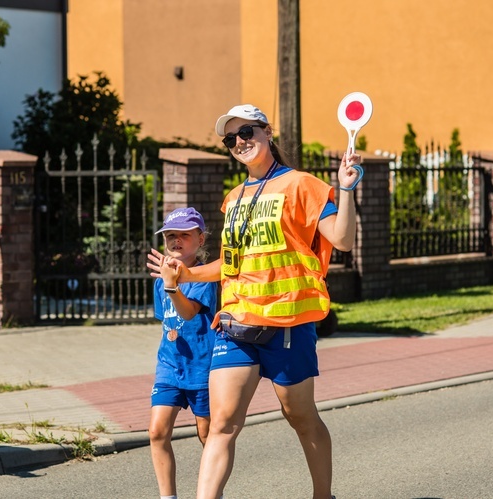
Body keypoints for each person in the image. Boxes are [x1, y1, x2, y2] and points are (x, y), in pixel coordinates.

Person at [148, 104, 362, 499]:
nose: (239, 142)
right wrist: (186, 275)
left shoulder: (302, 184)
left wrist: (346, 189)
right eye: (230, 139)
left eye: (247, 132)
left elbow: (344, 240)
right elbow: (231, 265)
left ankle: (323, 496)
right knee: (222, 424)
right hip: (237, 323)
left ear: (266, 131)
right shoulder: (234, 199)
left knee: (299, 416)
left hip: (288, 323)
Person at [150, 207, 218, 499]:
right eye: (170, 235)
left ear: (200, 239)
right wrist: (166, 282)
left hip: (202, 367)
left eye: (184, 235)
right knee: (157, 433)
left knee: (208, 436)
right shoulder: (160, 280)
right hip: (169, 365)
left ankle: (211, 493)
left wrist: (172, 285)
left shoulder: (205, 279)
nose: (176, 240)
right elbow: (169, 324)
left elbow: (188, 314)